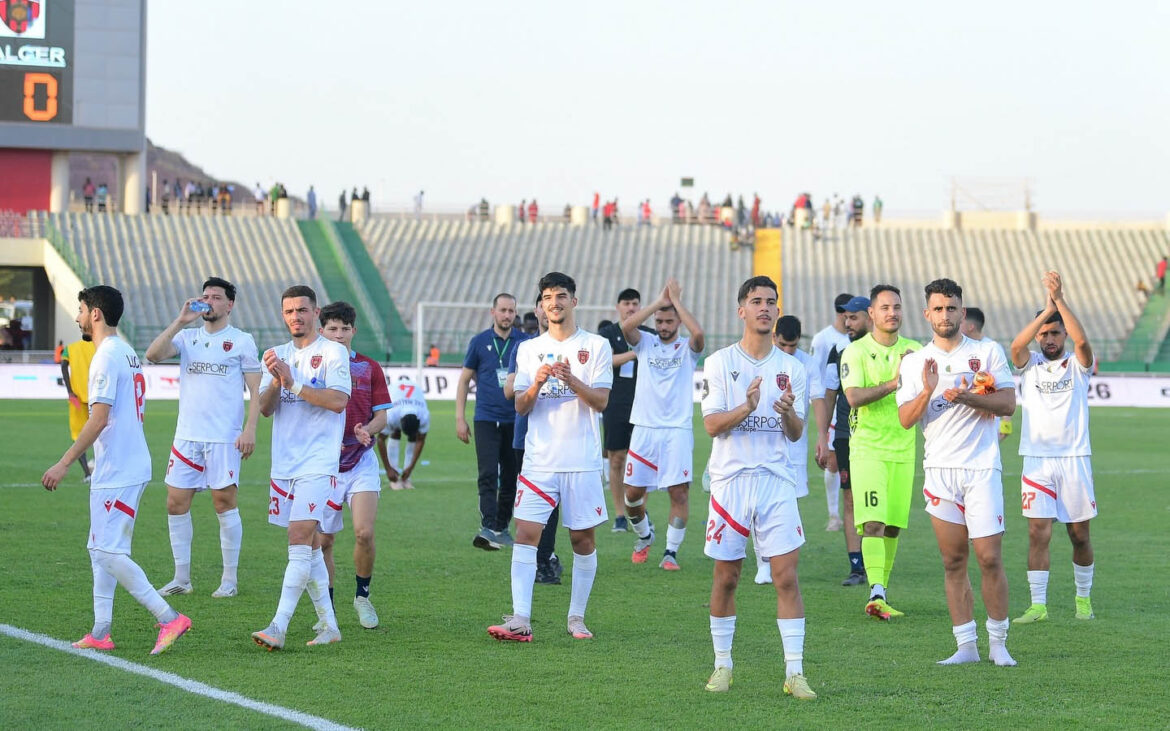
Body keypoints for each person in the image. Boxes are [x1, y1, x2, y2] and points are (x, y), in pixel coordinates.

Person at [41, 286, 192, 654]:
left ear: (95, 313)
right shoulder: (125, 351)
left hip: (120, 469)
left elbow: (98, 419)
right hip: (119, 464)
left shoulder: (107, 356)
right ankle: (101, 631)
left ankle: (169, 617)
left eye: (80, 310)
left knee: (109, 552)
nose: (78, 317)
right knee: (99, 550)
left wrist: (64, 463)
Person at [700, 276, 814, 699]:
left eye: (770, 302)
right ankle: (722, 665)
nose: (764, 308)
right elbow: (712, 425)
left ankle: (795, 673)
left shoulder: (793, 369)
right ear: (741, 310)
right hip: (730, 483)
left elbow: (796, 432)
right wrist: (746, 407)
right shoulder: (719, 362)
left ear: (777, 311)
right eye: (756, 301)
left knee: (786, 577)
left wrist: (786, 413)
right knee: (726, 577)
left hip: (776, 482)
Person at [897, 278, 1018, 666]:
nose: (945, 315)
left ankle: (998, 643)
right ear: (926, 314)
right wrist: (927, 390)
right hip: (940, 471)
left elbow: (1008, 403)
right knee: (953, 561)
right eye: (938, 308)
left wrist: (967, 397)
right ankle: (966, 646)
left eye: (951, 308)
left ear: (962, 312)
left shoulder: (986, 352)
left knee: (989, 558)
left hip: (981, 468)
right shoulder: (915, 362)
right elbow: (905, 419)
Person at [488, 272, 613, 642]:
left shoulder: (596, 345)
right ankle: (520, 619)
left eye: (560, 296)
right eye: (547, 297)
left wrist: (571, 379)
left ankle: (577, 617)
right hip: (540, 460)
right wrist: (538, 383)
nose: (554, 303)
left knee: (582, 541)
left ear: (574, 301)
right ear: (541, 306)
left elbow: (601, 401)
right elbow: (521, 406)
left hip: (582, 460)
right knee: (526, 534)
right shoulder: (529, 350)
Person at [145, 278, 262, 600]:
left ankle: (229, 579)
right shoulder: (187, 337)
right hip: (187, 436)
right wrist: (180, 320)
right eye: (205, 296)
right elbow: (153, 355)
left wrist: (250, 429)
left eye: (216, 297)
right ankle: (181, 578)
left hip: (224, 438)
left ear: (230, 304)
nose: (209, 301)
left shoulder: (241, 341)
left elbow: (256, 390)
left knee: (224, 503)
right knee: (175, 502)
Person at [252, 285, 350, 650]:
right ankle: (330, 625)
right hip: (284, 463)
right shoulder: (276, 354)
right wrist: (277, 381)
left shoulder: (333, 352)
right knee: (309, 546)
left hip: (318, 462)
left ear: (316, 312)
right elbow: (265, 408)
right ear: (283, 315)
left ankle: (278, 626)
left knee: (298, 537)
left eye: (302, 310)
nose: (296, 316)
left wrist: (295, 382)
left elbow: (338, 401)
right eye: (290, 311)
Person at [1009, 271, 1097, 624]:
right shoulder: (1029, 365)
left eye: (1055, 332)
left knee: (1079, 535)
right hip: (1036, 460)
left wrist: (1058, 300)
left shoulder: (1077, 366)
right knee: (1037, 532)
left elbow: (1084, 341)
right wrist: (1046, 312)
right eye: (1044, 333)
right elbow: (1016, 347)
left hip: (1074, 459)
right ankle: (1038, 606)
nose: (1048, 338)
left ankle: (1083, 600)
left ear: (1064, 335)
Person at [840, 285, 921, 620]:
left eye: (897, 307)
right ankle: (875, 592)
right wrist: (894, 381)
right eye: (885, 307)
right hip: (868, 449)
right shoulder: (856, 352)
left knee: (892, 527)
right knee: (873, 523)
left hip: (903, 449)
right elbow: (854, 397)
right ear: (871, 313)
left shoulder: (915, 351)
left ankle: (881, 594)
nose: (892, 313)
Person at [314, 301, 391, 629]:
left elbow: (382, 417)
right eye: (332, 329)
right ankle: (327, 610)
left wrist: (367, 430)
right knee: (324, 542)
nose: (339, 335)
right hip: (324, 464)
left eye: (345, 329)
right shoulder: (314, 367)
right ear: (321, 331)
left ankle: (362, 596)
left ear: (354, 331)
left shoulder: (368, 367)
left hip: (360, 462)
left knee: (364, 532)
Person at [619, 279, 705, 570]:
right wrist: (658, 303)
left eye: (669, 321)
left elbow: (699, 333)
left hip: (676, 430)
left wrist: (676, 302)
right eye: (659, 321)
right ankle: (645, 536)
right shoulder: (645, 343)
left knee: (678, 492)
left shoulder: (687, 348)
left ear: (678, 321)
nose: (663, 326)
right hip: (644, 428)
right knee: (632, 495)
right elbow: (626, 328)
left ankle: (671, 552)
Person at [753, 315, 824, 584]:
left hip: (793, 444)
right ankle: (763, 563)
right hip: (762, 443)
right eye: (782, 345)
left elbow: (818, 398)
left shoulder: (807, 364)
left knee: (786, 505)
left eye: (792, 346)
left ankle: (779, 561)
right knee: (758, 505)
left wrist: (823, 436)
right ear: (774, 338)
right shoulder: (760, 360)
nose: (787, 351)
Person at [456, 293, 523, 550]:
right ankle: (487, 525)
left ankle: (502, 528)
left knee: (510, 477)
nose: (507, 315)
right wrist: (460, 418)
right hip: (485, 418)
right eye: (502, 310)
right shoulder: (479, 342)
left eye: (511, 311)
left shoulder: (524, 342)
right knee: (487, 473)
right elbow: (464, 380)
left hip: (515, 420)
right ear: (492, 312)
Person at [504, 296, 563, 585]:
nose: (546, 309)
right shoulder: (523, 347)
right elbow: (509, 390)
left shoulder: (571, 347)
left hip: (561, 437)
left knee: (554, 504)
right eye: (542, 303)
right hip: (525, 436)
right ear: (537, 310)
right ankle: (540, 559)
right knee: (531, 504)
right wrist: (531, 381)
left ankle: (545, 556)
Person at [821, 296, 873, 586]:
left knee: (876, 503)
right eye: (846, 318)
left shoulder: (883, 349)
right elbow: (830, 394)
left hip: (877, 436)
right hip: (845, 434)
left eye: (853, 317)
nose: (847, 322)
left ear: (869, 316)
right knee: (851, 498)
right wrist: (823, 436)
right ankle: (857, 567)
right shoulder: (838, 350)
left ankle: (876, 561)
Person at [597, 289, 651, 531]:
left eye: (635, 304)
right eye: (627, 303)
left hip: (645, 405)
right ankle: (620, 514)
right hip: (615, 403)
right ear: (618, 307)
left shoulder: (649, 334)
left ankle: (641, 512)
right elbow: (606, 360)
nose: (631, 308)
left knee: (643, 461)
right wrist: (635, 352)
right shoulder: (607, 334)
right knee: (617, 458)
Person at [809, 293, 853, 531]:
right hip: (834, 409)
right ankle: (834, 515)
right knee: (833, 463)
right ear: (842, 313)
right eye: (850, 314)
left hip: (856, 408)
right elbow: (816, 374)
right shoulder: (822, 339)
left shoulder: (858, 337)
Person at [962, 307, 1011, 443]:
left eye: (961, 322)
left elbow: (1004, 386)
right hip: (964, 416)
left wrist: (1006, 423)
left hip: (987, 416)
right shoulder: (961, 347)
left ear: (971, 326)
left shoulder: (992, 348)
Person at [377, 373, 430, 490]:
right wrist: (388, 469)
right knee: (395, 432)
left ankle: (407, 477)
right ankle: (394, 478)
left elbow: (421, 440)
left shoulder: (424, 416)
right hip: (394, 392)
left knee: (413, 437)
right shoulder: (391, 415)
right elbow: (380, 439)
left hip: (414, 393)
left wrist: (410, 468)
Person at [61, 334, 97, 482]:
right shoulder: (99, 346)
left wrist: (70, 391)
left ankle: (87, 474)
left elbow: (63, 366)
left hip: (77, 398)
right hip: (98, 396)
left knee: (78, 437)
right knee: (103, 433)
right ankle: (102, 469)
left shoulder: (69, 349)